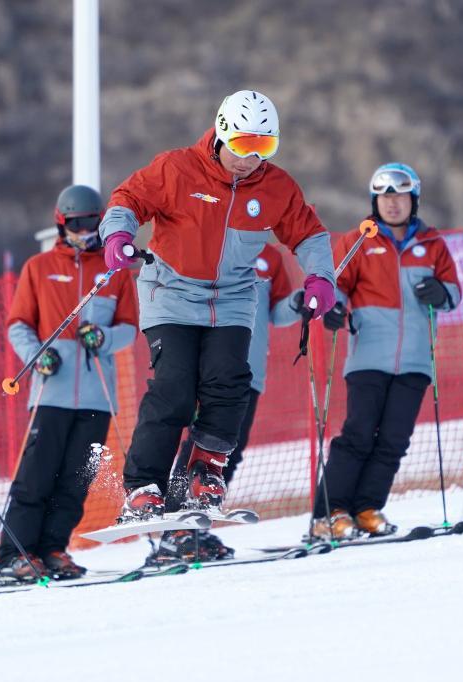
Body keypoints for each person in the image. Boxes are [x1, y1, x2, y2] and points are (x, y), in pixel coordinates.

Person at [99, 89, 336, 522]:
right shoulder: (177, 169)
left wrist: (321, 277)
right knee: (174, 386)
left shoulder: (276, 187)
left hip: (232, 298)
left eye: (263, 147)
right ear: (223, 133)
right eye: (244, 144)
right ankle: (143, 486)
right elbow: (127, 199)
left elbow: (309, 233)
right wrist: (117, 235)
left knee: (229, 381)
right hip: (170, 292)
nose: (250, 158)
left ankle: (204, 473)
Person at [0, 185, 138, 584]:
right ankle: (15, 553)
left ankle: (53, 548)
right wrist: (38, 355)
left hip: (96, 395)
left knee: (76, 477)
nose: (84, 231)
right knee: (37, 475)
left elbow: (128, 329)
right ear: (62, 223)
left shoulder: (113, 271)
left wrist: (103, 338)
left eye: (91, 222)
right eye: (76, 223)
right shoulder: (38, 268)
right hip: (51, 391)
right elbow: (18, 324)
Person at [312, 163, 461, 539]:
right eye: (384, 197)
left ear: (414, 200)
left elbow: (454, 292)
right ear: (374, 201)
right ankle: (329, 514)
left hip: (414, 359)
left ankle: (366, 507)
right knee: (359, 434)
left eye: (400, 197)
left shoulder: (432, 244)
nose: (392, 204)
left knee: (395, 439)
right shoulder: (358, 240)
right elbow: (336, 286)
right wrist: (333, 308)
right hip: (368, 356)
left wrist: (441, 293)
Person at [158, 243, 301, 561]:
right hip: (214, 369)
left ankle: (199, 528)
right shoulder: (213, 242)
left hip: (250, 372)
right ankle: (176, 531)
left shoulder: (272, 256)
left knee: (227, 454)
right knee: (200, 447)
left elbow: (277, 312)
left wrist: (299, 302)